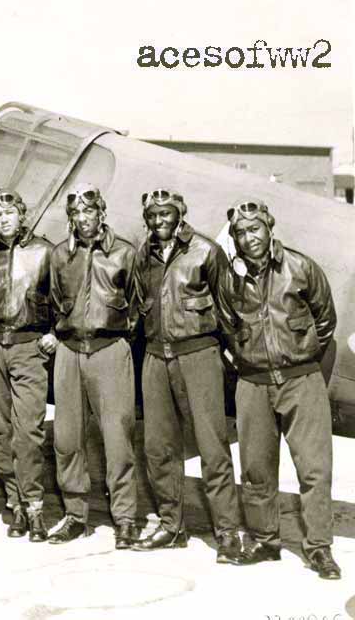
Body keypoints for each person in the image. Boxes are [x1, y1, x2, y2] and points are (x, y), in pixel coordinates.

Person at [218, 200, 340, 579]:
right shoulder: (229, 278)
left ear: (269, 228)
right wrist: (248, 359)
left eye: (255, 228)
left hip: (301, 381)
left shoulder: (300, 267)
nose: (248, 237)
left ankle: (319, 548)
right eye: (241, 232)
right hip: (253, 383)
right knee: (255, 469)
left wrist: (298, 356)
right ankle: (265, 540)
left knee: (314, 470)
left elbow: (325, 319)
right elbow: (225, 324)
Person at [131, 189, 242, 564]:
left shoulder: (206, 251)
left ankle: (227, 533)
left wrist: (233, 358)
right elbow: (135, 308)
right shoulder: (142, 255)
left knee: (212, 447)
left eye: (167, 213)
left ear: (180, 214)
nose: (160, 220)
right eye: (153, 214)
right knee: (158, 448)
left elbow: (228, 311)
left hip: (198, 355)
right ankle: (171, 525)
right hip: (156, 357)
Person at [48, 184, 140, 548]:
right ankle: (74, 516)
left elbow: (138, 305)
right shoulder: (60, 256)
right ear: (70, 219)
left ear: (102, 212)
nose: (83, 219)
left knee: (117, 439)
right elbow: (55, 301)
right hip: (69, 352)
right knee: (67, 438)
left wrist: (116, 341)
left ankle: (126, 519)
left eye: (90, 211)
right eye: (76, 214)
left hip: (110, 350)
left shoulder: (124, 254)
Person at [0, 189, 54, 542]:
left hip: (27, 348)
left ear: (22, 215)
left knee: (29, 433)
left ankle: (35, 506)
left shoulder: (44, 252)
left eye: (10, 213)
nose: (4, 219)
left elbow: (63, 298)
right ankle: (15, 505)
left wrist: (54, 332)